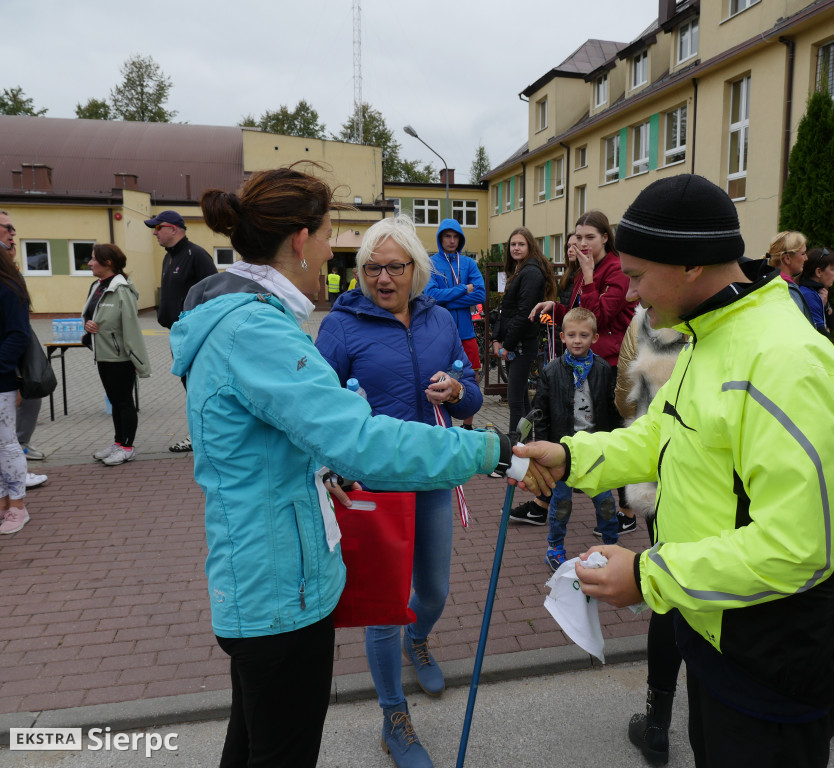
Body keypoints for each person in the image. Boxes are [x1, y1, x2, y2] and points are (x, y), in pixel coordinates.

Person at [513, 174, 834, 768]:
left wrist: (650, 575)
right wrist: (574, 457)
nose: (628, 294)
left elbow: (797, 547)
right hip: (714, 623)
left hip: (773, 650)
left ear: (692, 267)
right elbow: (663, 435)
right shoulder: (712, 331)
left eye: (640, 274)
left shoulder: (783, 361)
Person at [168, 166, 515, 768]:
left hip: (276, 571)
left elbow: (296, 434)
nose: (336, 250)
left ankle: (417, 650)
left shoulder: (250, 320)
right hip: (280, 587)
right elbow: (355, 438)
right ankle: (393, 711)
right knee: (280, 750)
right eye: (331, 234)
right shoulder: (257, 330)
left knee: (252, 744)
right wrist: (493, 451)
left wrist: (325, 464)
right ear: (301, 240)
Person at [315, 215, 482, 768]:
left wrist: (458, 388)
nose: (382, 278)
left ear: (418, 269)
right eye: (372, 267)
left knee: (430, 593)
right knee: (385, 608)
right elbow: (318, 410)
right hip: (375, 485)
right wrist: (344, 422)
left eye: (394, 266)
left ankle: (421, 637)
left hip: (431, 474)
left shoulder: (438, 321)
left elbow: (472, 398)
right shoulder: (341, 326)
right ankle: (393, 714)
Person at [517, 211, 635, 526]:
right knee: (567, 427)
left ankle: (628, 511)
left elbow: (599, 320)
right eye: (578, 237)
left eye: (589, 237)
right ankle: (544, 503)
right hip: (585, 364)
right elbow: (579, 315)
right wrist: (555, 309)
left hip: (609, 366)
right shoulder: (588, 269)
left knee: (611, 434)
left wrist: (591, 276)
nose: (582, 243)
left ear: (605, 238)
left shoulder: (615, 270)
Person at [611, 304, 689, 764]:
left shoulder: (647, 320)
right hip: (725, 476)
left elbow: (623, 398)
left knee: (668, 585)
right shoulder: (741, 317)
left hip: (662, 470)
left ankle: (657, 722)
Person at [531, 307, 620, 571]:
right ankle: (554, 547)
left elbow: (611, 410)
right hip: (562, 450)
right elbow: (541, 413)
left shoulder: (604, 369)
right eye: (572, 335)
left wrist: (614, 442)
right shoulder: (551, 371)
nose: (577, 340)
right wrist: (541, 448)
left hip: (594, 449)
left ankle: (611, 547)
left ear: (594, 337)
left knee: (605, 503)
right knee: (561, 504)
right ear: (562, 337)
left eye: (584, 335)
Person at [145, 209, 216, 453]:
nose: (154, 233)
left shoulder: (196, 255)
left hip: (195, 336)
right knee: (190, 388)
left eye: (157, 228)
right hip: (178, 335)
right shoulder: (169, 257)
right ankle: (201, 434)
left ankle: (204, 437)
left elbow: (214, 296)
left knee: (198, 388)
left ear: (173, 228)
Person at [83, 244, 152, 466]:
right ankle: (118, 442)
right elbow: (90, 316)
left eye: (94, 259)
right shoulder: (97, 286)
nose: (90, 263)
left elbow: (131, 329)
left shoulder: (122, 290)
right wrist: (89, 326)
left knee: (124, 402)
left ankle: (127, 447)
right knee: (115, 401)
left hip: (121, 357)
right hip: (102, 355)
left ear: (109, 263)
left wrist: (139, 363)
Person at [490, 227, 557, 435]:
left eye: (521, 244)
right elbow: (506, 312)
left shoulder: (531, 273)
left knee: (516, 402)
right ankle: (528, 442)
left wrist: (506, 346)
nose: (516, 248)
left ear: (530, 246)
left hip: (521, 345)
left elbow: (523, 315)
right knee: (523, 404)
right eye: (512, 244)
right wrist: (495, 340)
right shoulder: (520, 270)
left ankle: (514, 447)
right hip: (516, 344)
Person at [1, 210, 48, 487]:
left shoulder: (11, 278)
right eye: (7, 228)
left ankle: (15, 491)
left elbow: (18, 332)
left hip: (10, 365)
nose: (13, 234)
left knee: (30, 400)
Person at [424, 218, 485, 429]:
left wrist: (448, 299)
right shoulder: (431, 264)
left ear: (460, 239)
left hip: (466, 332)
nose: (451, 240)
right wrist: (462, 289)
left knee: (473, 375)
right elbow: (431, 295)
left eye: (455, 236)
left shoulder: (468, 263)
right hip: (440, 332)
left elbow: (481, 293)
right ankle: (441, 422)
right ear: (441, 238)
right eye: (447, 236)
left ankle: (468, 424)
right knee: (438, 376)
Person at [0, 209, 31, 535]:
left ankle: (17, 506)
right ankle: (2, 503)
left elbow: (18, 334)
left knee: (7, 443)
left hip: (2, 380)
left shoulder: (8, 287)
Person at [766, 230, 814, 322]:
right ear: (787, 258)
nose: (806, 258)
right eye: (803, 253)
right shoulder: (786, 289)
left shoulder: (768, 281)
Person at [797, 247, 834, 334]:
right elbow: (819, 334)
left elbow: (833, 324)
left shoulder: (817, 292)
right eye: (832, 269)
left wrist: (826, 305)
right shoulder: (808, 295)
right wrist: (826, 332)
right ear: (819, 272)